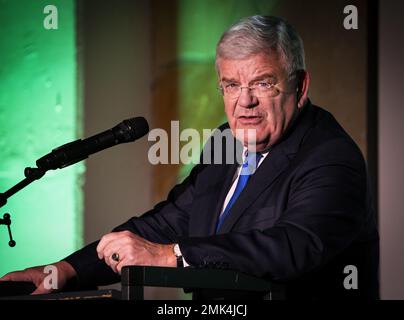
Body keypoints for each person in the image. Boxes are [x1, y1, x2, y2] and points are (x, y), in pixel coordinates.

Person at [0, 15, 379, 300]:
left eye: (262, 83)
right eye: (231, 85)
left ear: (300, 85)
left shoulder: (331, 157)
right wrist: (64, 270)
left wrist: (172, 256)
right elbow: (166, 224)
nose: (244, 101)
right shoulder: (227, 141)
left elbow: (292, 247)